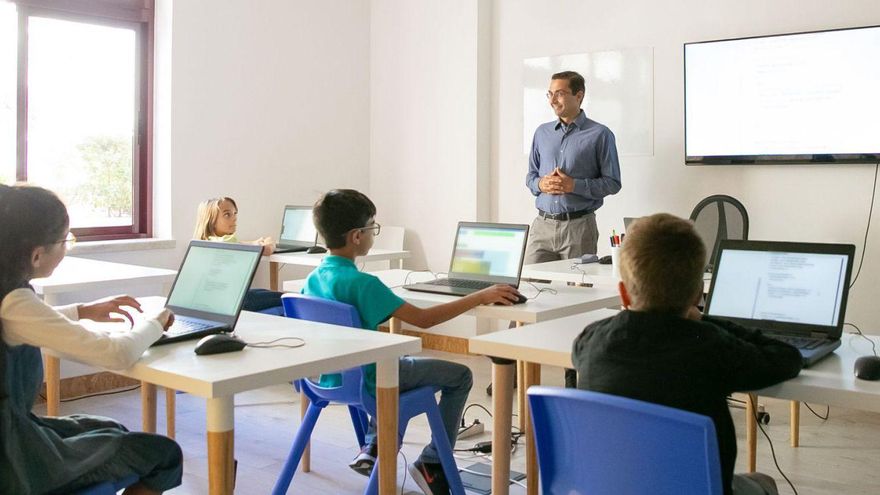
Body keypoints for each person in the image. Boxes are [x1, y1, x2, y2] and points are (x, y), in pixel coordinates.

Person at [305, 189, 522, 495]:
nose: (373, 234)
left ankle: (375, 445)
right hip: (369, 384)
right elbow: (424, 320)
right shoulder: (364, 284)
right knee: (461, 375)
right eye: (372, 228)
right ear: (356, 236)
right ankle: (431, 463)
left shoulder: (312, 280)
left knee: (389, 360)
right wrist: (480, 296)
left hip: (325, 380)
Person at [572, 213, 802, 495]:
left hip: (611, 487)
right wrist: (705, 320)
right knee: (763, 482)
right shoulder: (710, 346)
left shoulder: (589, 341)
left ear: (623, 293)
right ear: (698, 294)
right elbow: (786, 357)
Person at [0, 184, 182, 494]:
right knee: (163, 454)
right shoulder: (14, 301)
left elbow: (22, 322)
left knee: (110, 428)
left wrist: (82, 310)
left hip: (13, 433)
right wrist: (158, 322)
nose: (66, 248)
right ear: (36, 254)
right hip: (12, 459)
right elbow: (118, 355)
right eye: (65, 240)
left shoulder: (9, 296)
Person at [525, 70, 622, 388]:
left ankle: (573, 376)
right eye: (550, 94)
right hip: (542, 225)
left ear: (579, 96)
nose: (554, 99)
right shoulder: (541, 133)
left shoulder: (600, 134)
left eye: (561, 93)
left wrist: (573, 185)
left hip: (578, 227)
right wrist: (542, 183)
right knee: (524, 295)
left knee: (574, 304)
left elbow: (612, 183)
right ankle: (518, 365)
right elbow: (530, 178)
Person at [193, 196, 281, 312]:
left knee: (264, 292)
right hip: (236, 301)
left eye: (235, 214)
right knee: (284, 297)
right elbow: (267, 250)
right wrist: (271, 242)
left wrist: (254, 243)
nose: (234, 219)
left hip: (217, 300)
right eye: (227, 215)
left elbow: (240, 243)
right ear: (211, 220)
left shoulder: (205, 241)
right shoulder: (228, 242)